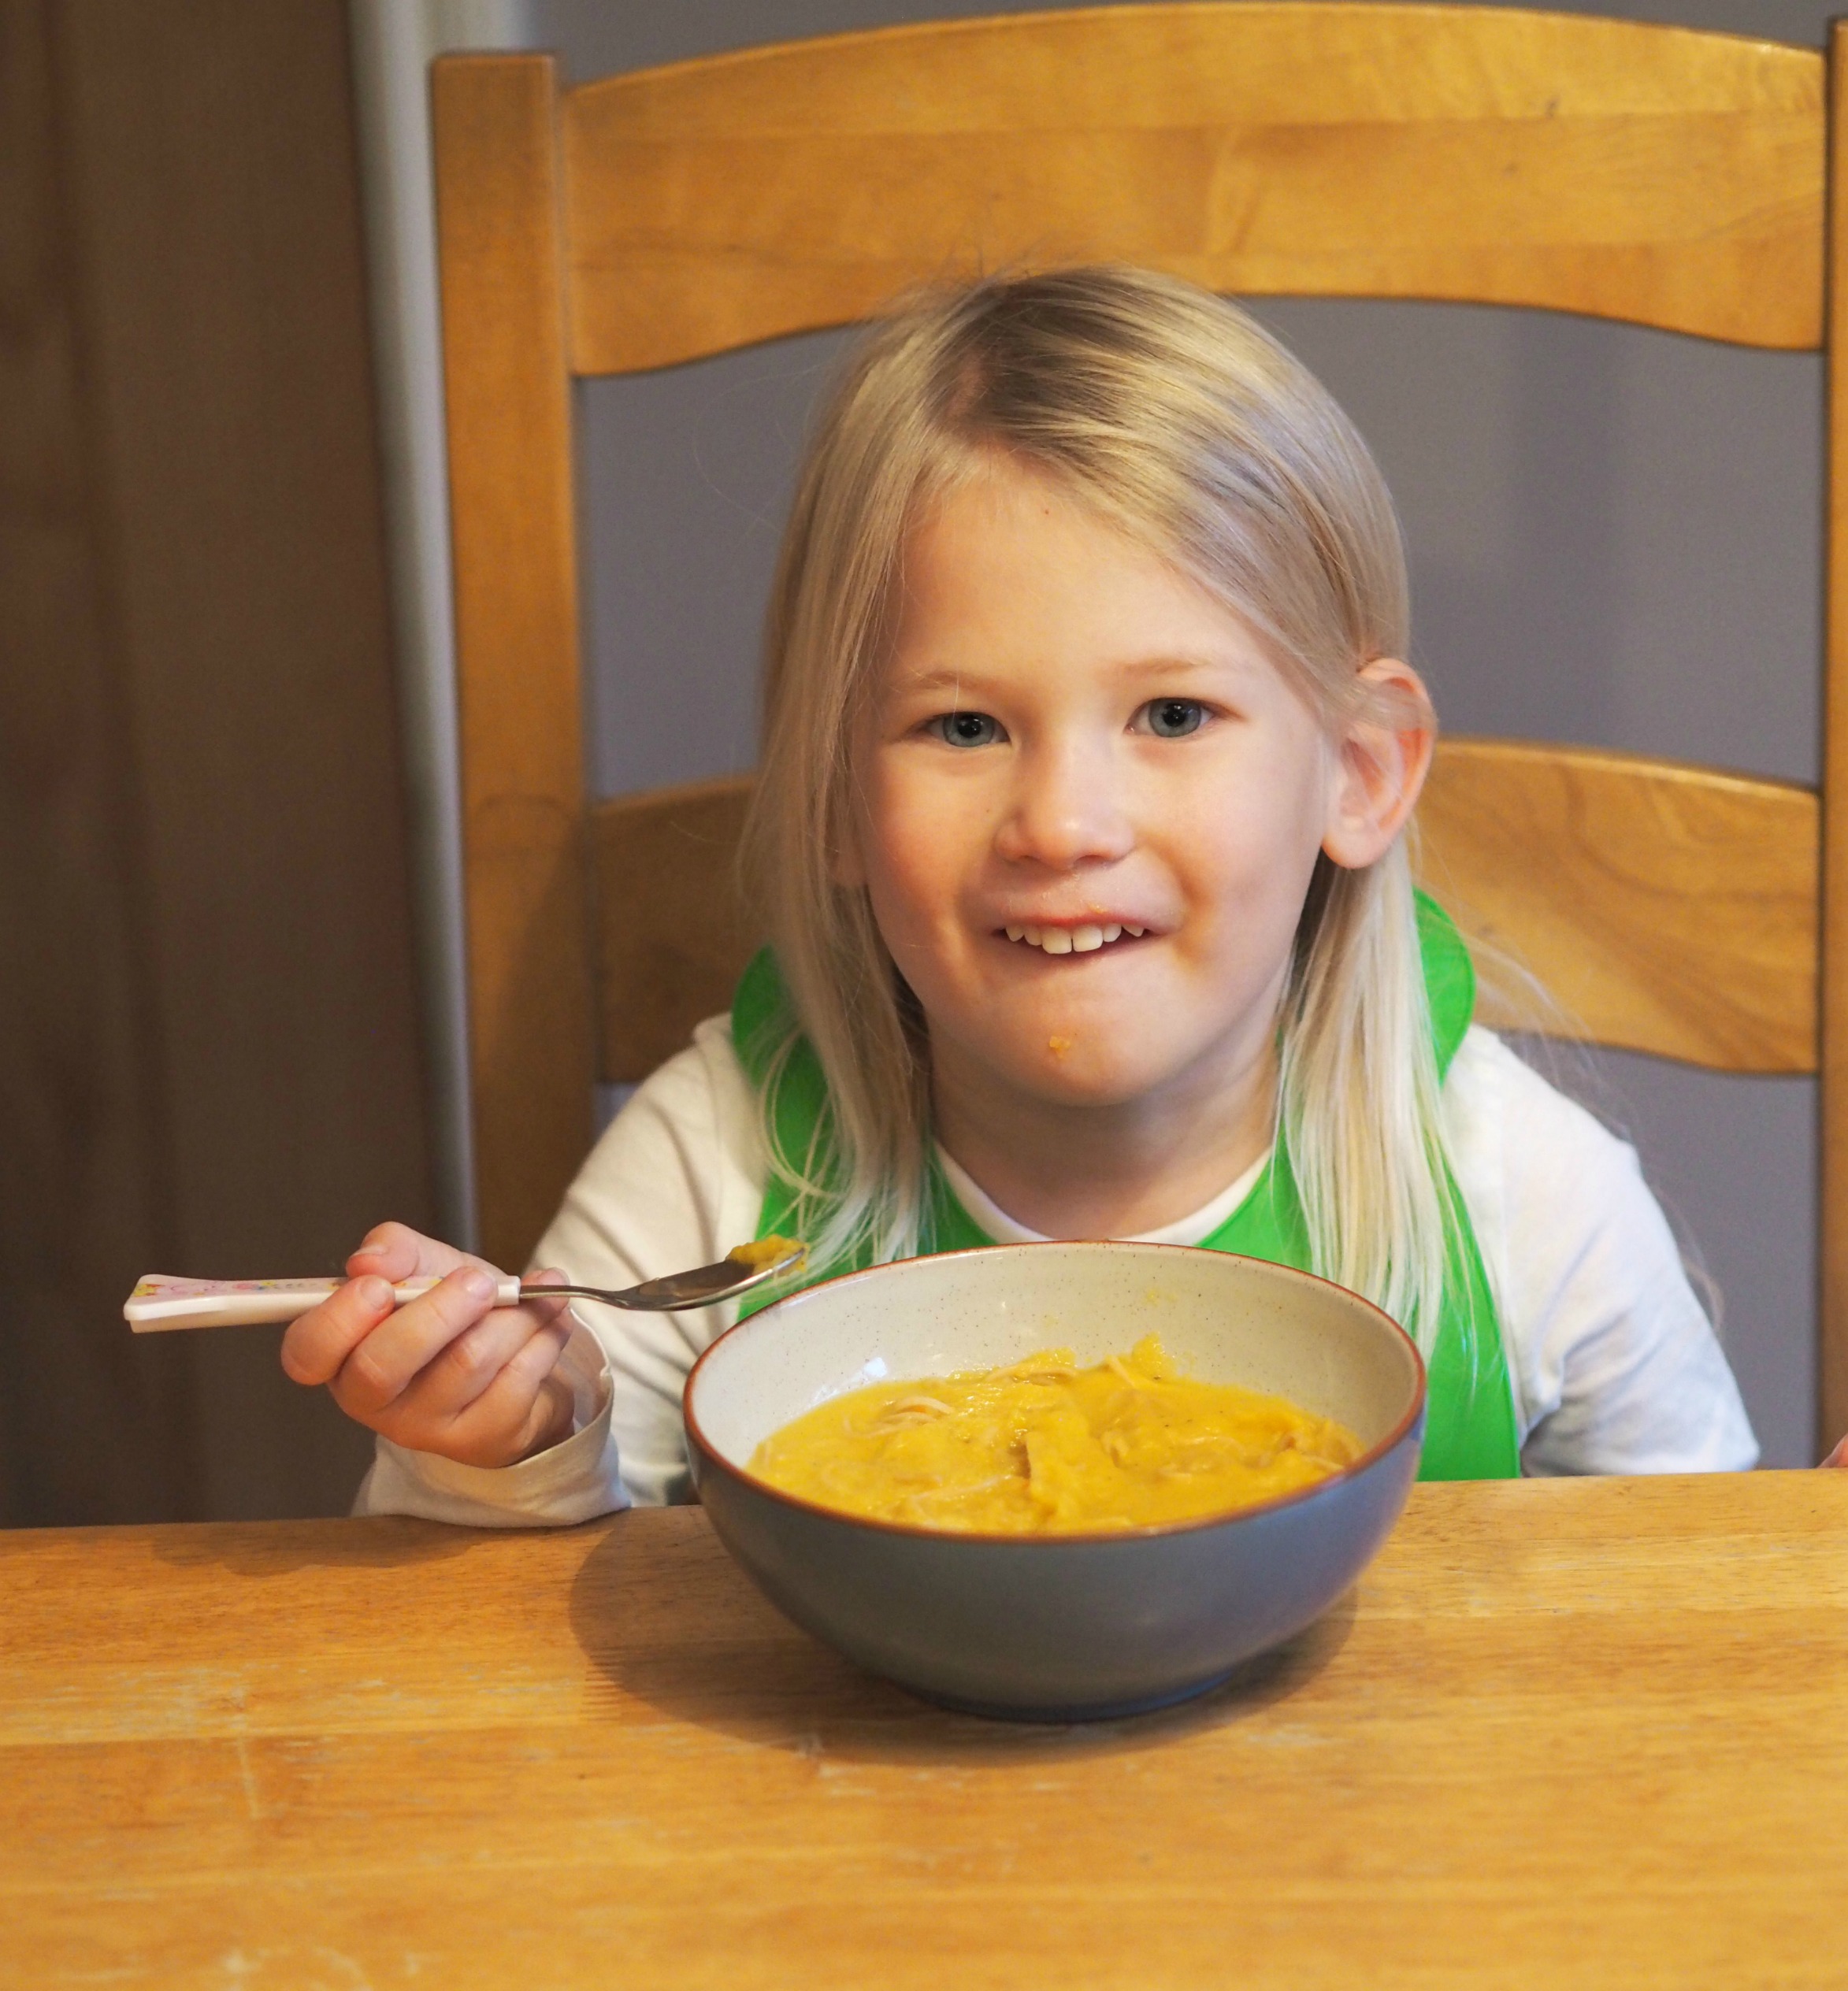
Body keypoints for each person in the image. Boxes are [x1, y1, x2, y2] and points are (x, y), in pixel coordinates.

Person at [284, 265, 1834, 1526]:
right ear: (833, 794)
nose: (1064, 822)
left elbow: (1682, 1604)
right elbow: (487, 1653)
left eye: (1172, 718)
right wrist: (500, 1442)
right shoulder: (725, 1164)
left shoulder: (1514, 1194)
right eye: (964, 727)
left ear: (1358, 774)